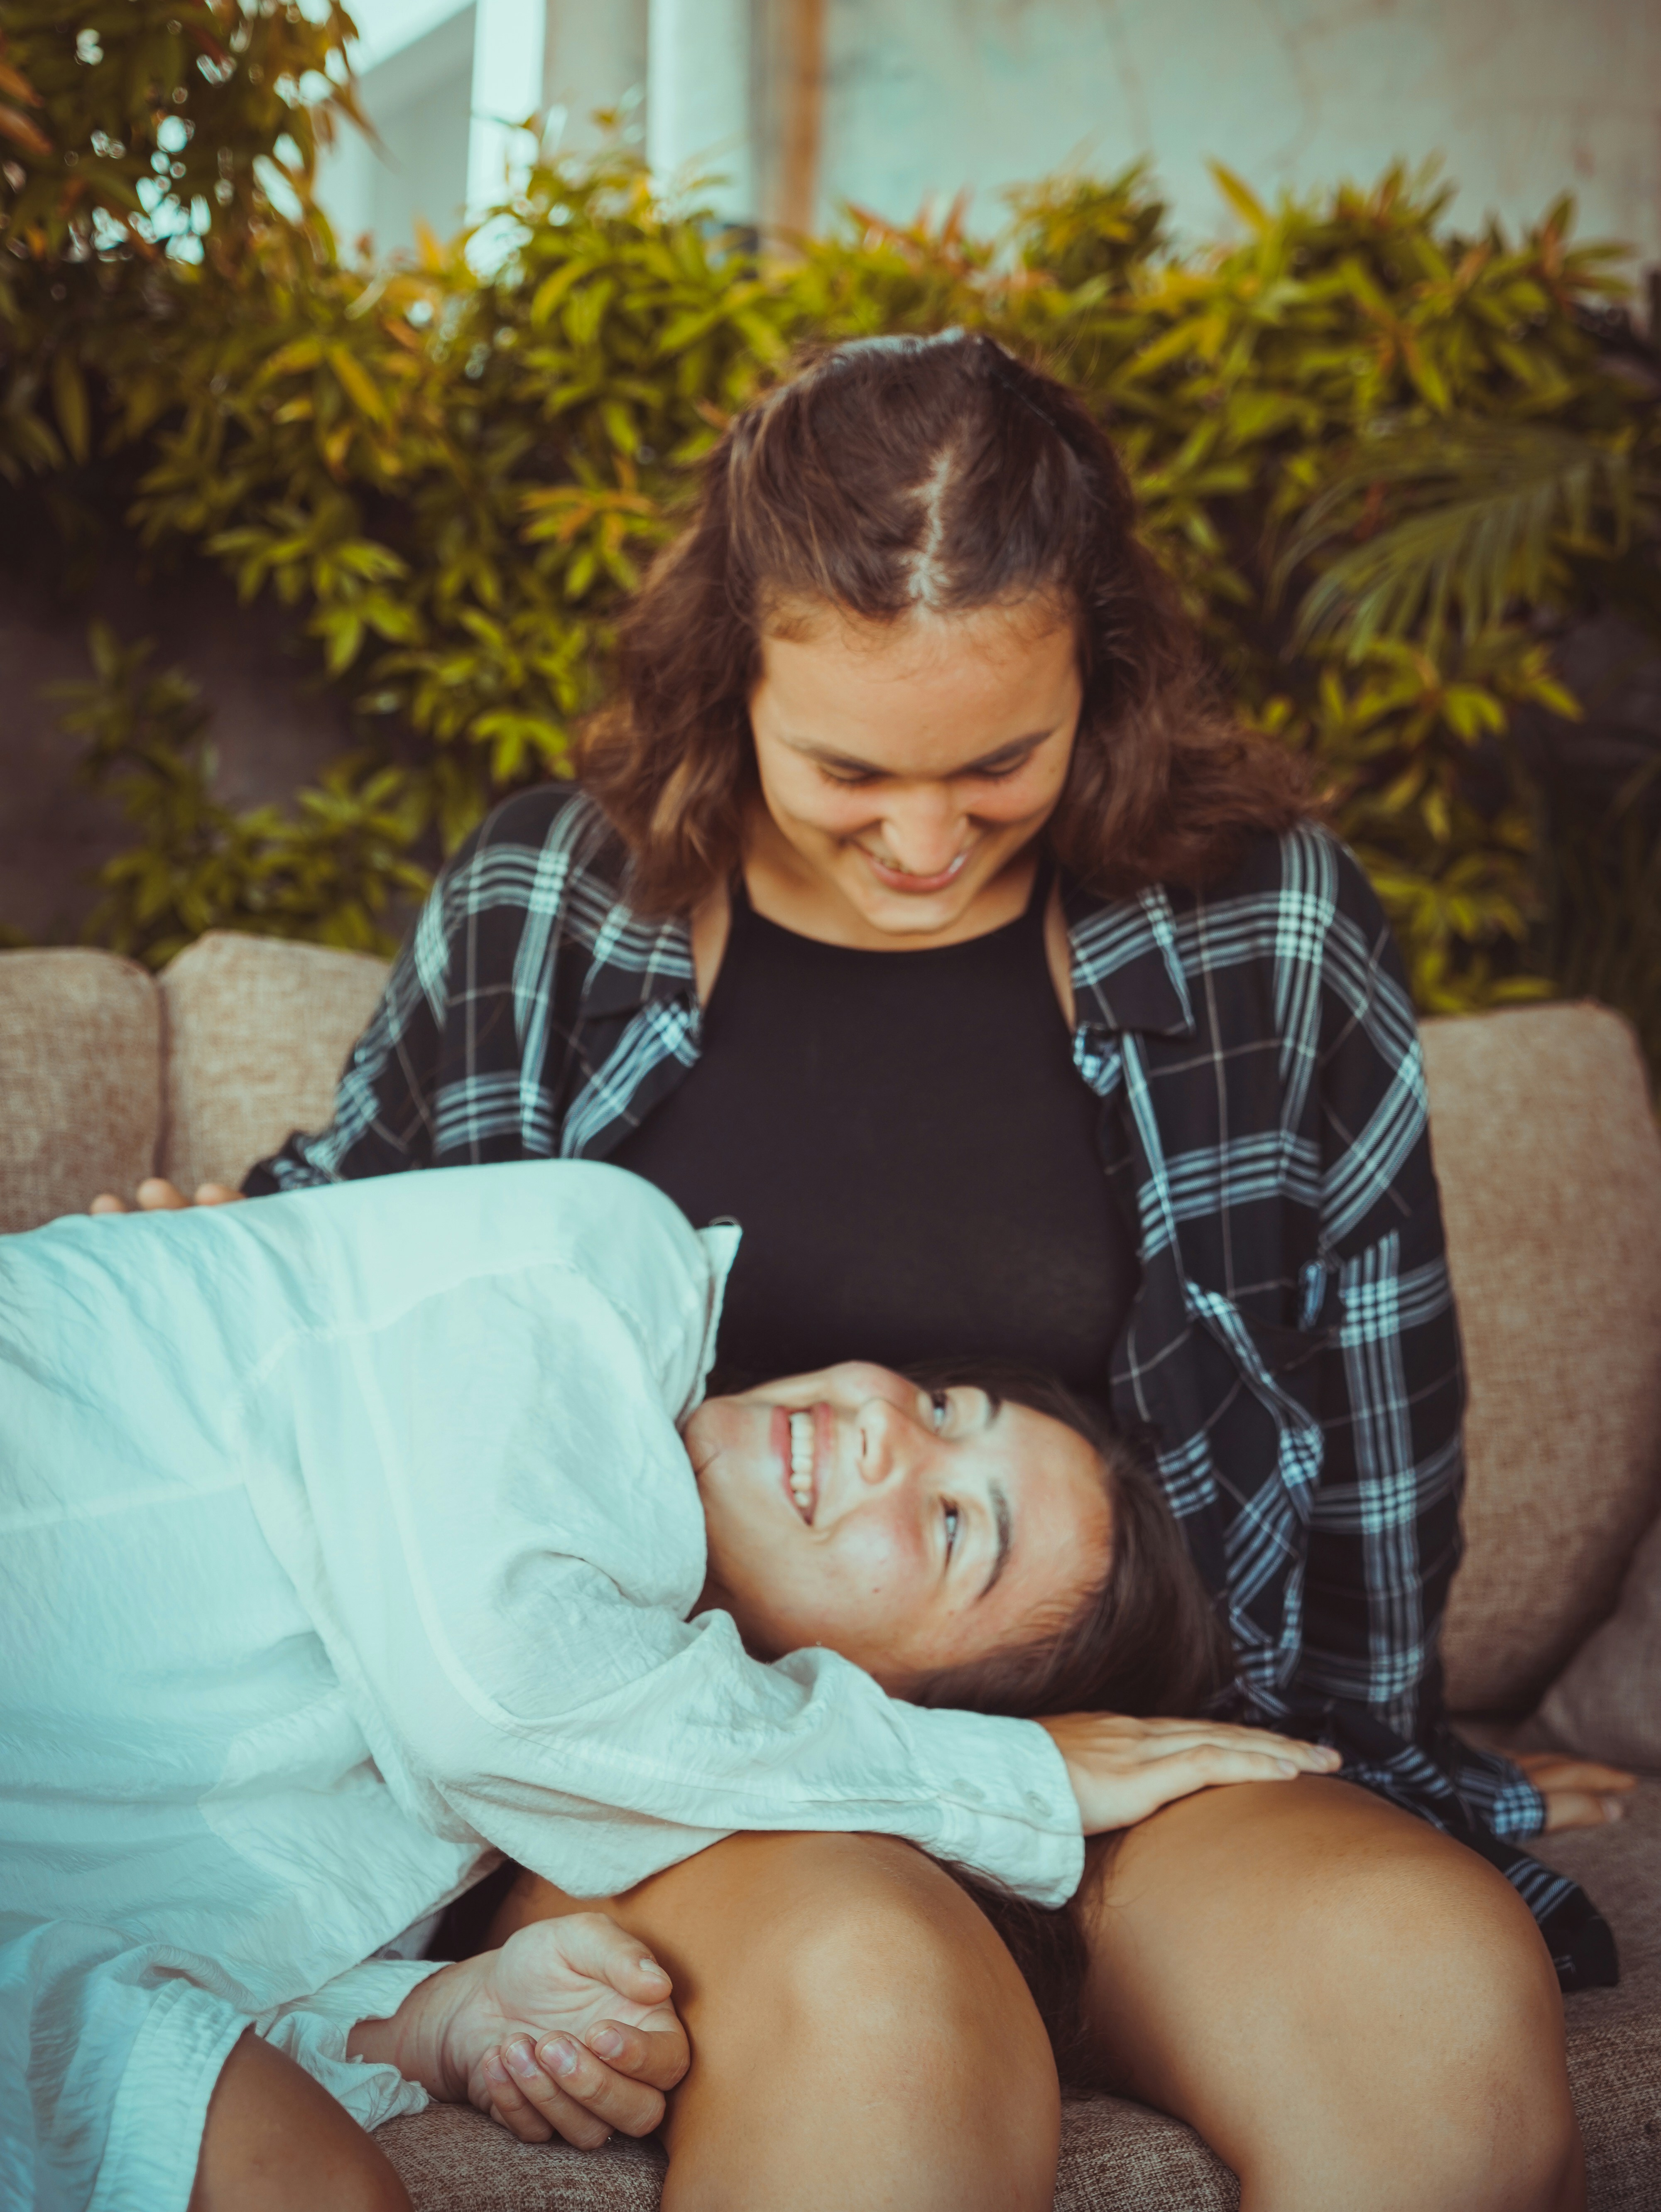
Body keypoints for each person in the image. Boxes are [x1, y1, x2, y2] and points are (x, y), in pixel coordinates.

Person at [98, 331, 1633, 2211]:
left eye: (1001, 759)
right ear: (728, 675)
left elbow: (1383, 1421)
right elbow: (365, 1258)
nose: (923, 841)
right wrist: (201, 1252)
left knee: (1427, 1997)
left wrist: (1390, 1756)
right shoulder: (548, 911)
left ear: (1105, 673)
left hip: (1119, 1723)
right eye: (847, 771)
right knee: (876, 1995)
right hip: (674, 1765)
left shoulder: (1270, 934)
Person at [1, 1157, 1331, 2212]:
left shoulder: (500, 1820)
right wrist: (1006, 1776)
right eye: (944, 1409)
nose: (885, 1427)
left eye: (948, 1529)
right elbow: (504, 1692)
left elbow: (160, 1946)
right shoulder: (611, 1264)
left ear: (881, 1686)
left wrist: (445, 2025)